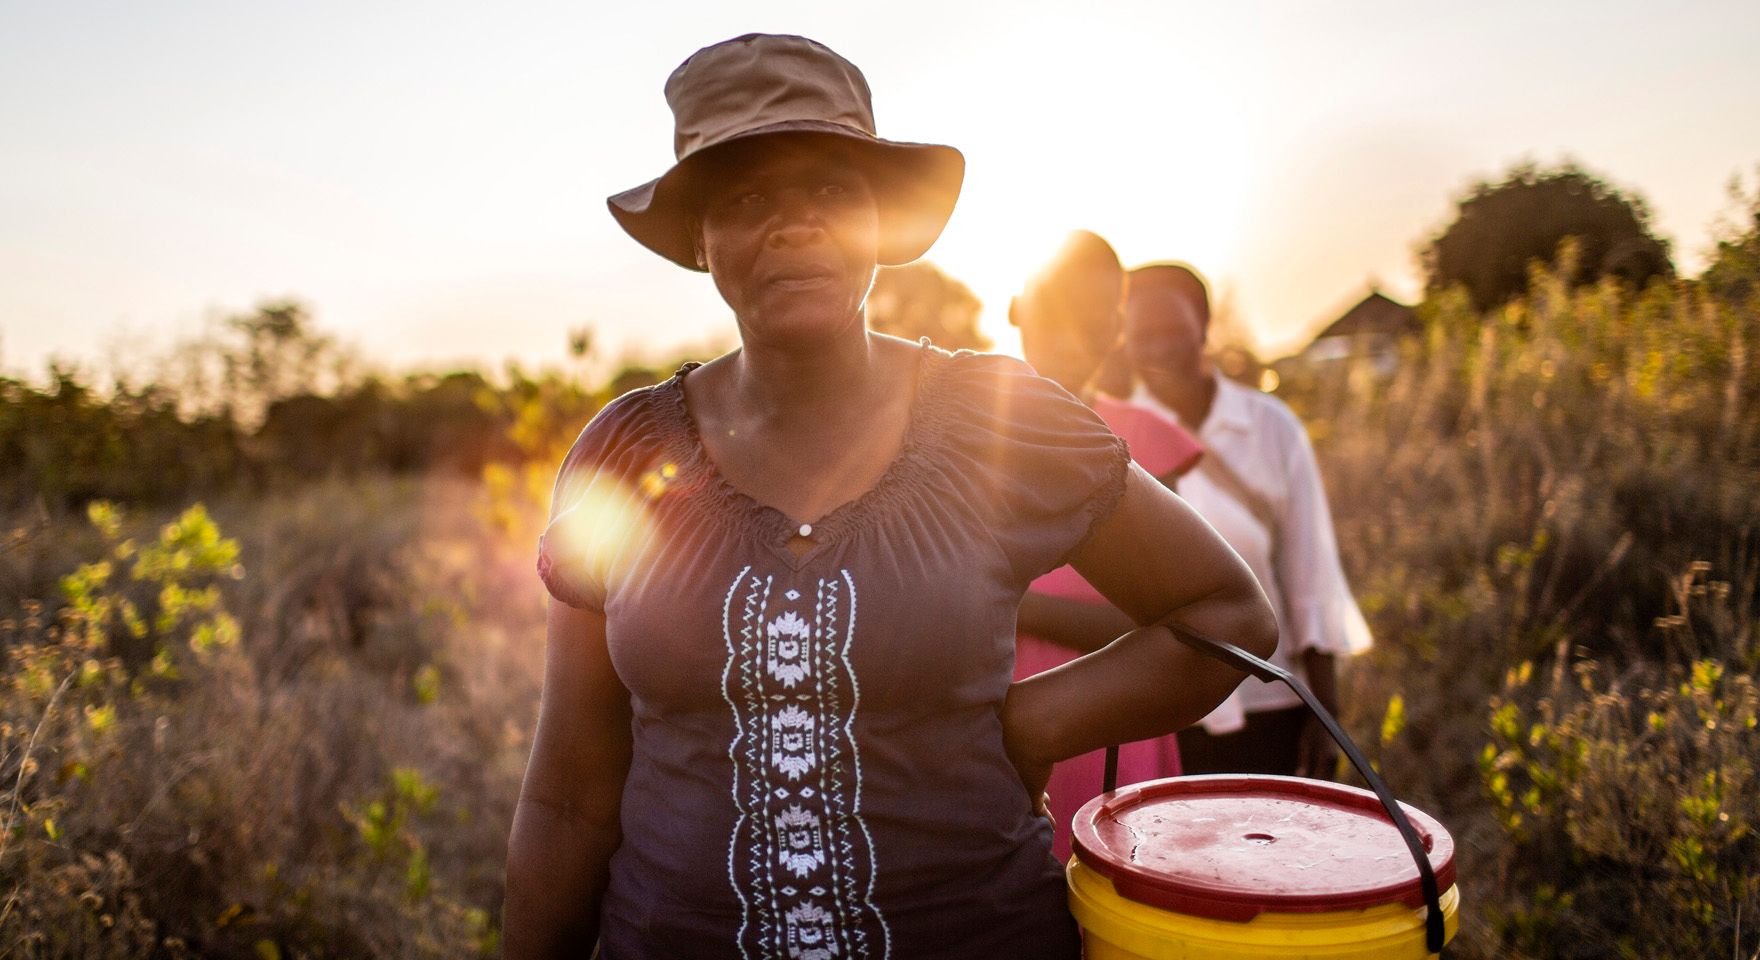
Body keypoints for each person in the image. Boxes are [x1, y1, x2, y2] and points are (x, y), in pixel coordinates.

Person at [503, 35, 1277, 959]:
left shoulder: (1001, 422)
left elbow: (1227, 613)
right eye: (745, 198)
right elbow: (569, 796)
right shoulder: (627, 455)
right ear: (700, 240)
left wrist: (1037, 721)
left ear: (878, 221)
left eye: (831, 190)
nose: (796, 226)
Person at [1119, 262, 1374, 779]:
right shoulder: (1114, 438)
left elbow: (1311, 574)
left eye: (1173, 330)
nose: (1160, 348)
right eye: (1144, 336)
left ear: (1204, 327)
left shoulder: (1272, 428)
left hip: (1273, 701)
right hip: (1166, 717)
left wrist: (1326, 715)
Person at [1005, 231, 1197, 865]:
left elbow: (1171, 618)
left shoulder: (1144, 441)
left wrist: (1013, 603)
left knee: (1112, 888)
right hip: (988, 732)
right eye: (1053, 309)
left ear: (1117, 328)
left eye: (1092, 317)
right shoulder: (965, 436)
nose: (1070, 333)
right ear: (1017, 310)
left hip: (1114, 726)